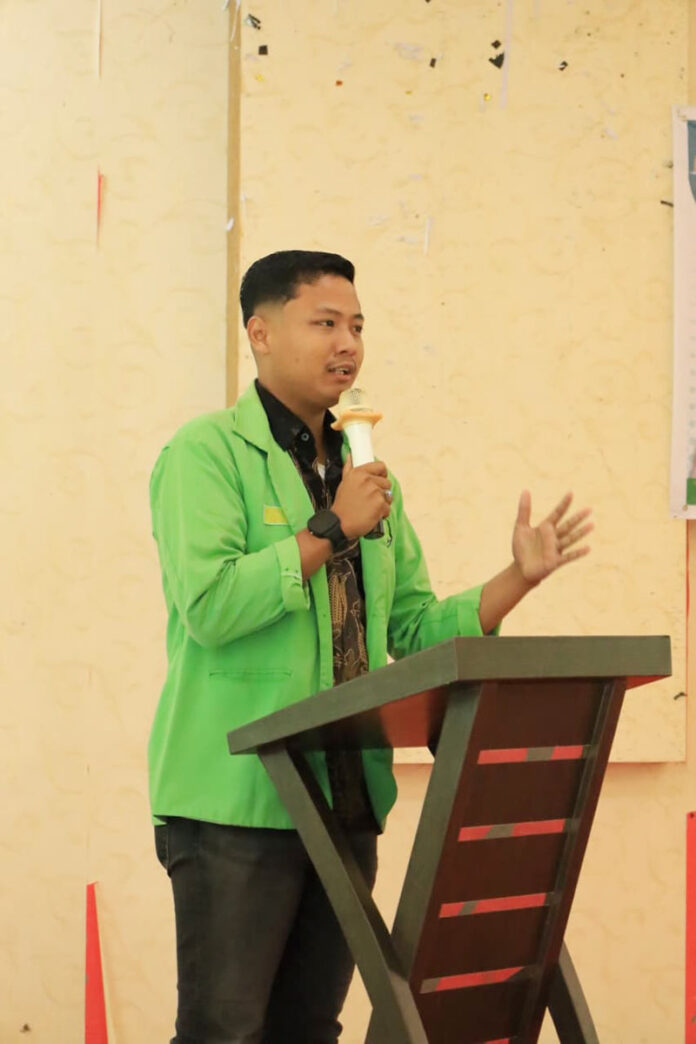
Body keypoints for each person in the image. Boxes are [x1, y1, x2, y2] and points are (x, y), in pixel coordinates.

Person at [148, 249, 592, 1044]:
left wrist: (516, 579)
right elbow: (210, 605)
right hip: (236, 804)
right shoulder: (206, 453)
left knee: (310, 1028)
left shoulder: (366, 474)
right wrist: (331, 527)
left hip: (345, 798)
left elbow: (413, 630)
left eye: (356, 325)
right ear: (260, 333)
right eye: (325, 323)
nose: (347, 343)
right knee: (224, 1030)